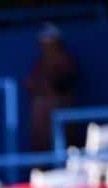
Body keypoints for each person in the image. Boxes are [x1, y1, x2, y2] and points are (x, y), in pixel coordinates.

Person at [26, 24, 78, 153]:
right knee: (40, 149)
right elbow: (29, 84)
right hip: (41, 118)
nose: (46, 47)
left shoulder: (66, 62)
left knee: (64, 147)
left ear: (57, 43)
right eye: (43, 43)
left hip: (60, 114)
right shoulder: (40, 64)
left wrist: (46, 86)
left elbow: (61, 86)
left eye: (49, 43)